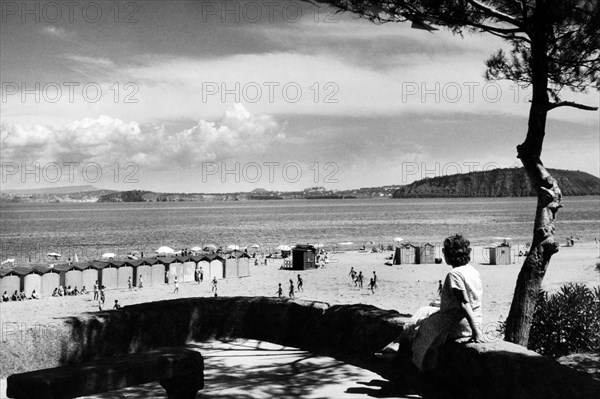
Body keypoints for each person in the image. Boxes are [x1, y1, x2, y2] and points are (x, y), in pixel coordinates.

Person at [376, 234, 484, 371]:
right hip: (475, 318)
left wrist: (476, 331)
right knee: (424, 310)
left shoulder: (454, 274)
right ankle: (396, 343)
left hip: (460, 323)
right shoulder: (472, 271)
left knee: (423, 328)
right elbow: (469, 300)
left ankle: (416, 364)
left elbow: (464, 303)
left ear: (449, 254)